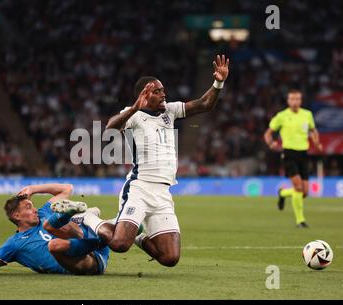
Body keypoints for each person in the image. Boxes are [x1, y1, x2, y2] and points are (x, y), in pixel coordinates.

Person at [79, 55, 230, 267]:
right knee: (119, 244)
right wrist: (133, 108)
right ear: (145, 95)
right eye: (157, 91)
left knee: (170, 258)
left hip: (163, 193)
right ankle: (88, 217)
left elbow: (205, 104)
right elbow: (110, 129)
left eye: (163, 90)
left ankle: (139, 237)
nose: (163, 94)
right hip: (139, 189)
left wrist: (219, 82)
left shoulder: (170, 110)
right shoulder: (133, 115)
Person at [0, 183, 109, 275]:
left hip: (91, 245)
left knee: (53, 221)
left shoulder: (43, 213)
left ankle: (83, 219)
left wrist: (32, 189)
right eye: (29, 207)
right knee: (54, 244)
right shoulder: (14, 243)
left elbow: (67, 188)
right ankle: (85, 219)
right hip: (87, 262)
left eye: (33, 205)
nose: (35, 209)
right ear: (16, 215)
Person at [264, 89, 323, 228]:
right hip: (289, 154)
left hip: (303, 154)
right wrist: (271, 143)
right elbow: (268, 133)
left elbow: (313, 130)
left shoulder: (307, 114)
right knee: (298, 187)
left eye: (297, 99)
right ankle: (300, 221)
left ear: (300, 101)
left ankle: (283, 193)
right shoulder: (282, 116)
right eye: (292, 99)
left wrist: (316, 142)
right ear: (288, 101)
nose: (295, 102)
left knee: (305, 192)